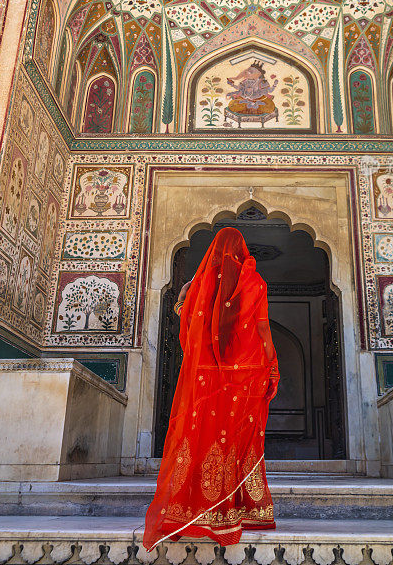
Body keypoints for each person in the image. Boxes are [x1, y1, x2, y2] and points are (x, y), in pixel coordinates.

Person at [143, 227, 280, 550]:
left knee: (203, 436)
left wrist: (184, 300)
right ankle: (242, 510)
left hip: (206, 377)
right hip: (243, 377)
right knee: (237, 440)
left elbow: (185, 324)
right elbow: (261, 329)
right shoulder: (255, 282)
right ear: (242, 250)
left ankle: (189, 511)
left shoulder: (199, 285)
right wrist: (272, 365)